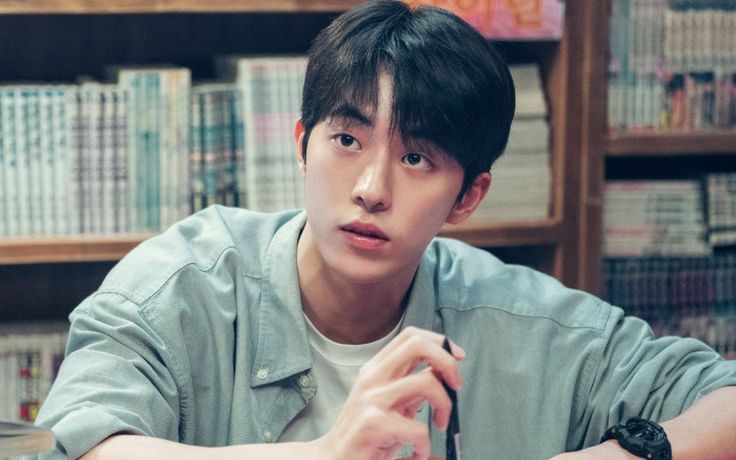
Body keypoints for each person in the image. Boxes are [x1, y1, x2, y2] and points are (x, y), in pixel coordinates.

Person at [33, 1, 736, 459]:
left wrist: (626, 453)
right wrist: (327, 452)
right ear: (302, 143)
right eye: (347, 140)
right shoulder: (180, 283)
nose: (372, 189)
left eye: (416, 157)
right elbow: (79, 442)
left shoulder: (530, 324)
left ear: (468, 196)